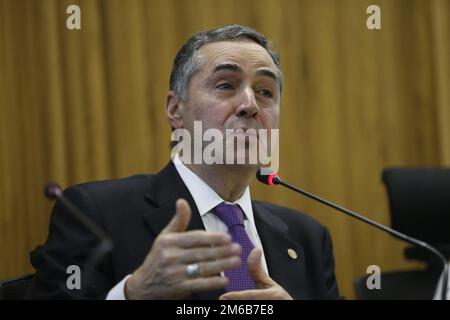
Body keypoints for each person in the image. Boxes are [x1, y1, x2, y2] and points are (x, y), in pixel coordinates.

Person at [26, 25, 340, 300]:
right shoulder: (93, 214)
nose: (249, 105)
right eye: (226, 85)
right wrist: (132, 294)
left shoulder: (308, 238)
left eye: (265, 92)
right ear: (176, 110)